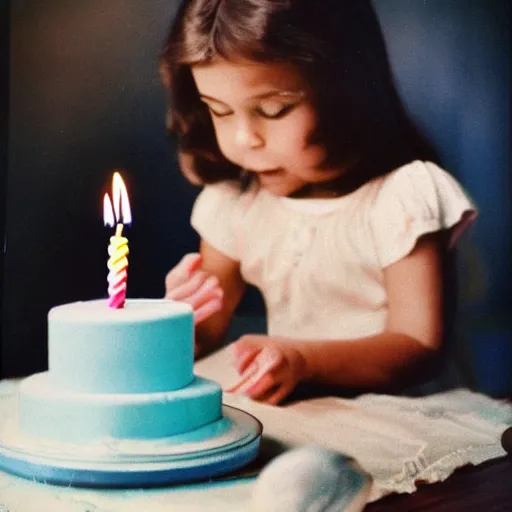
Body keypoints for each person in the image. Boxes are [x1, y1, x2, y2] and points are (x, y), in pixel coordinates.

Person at [160, 0, 477, 405]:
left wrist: (303, 359)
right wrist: (179, 324)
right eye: (219, 112)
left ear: (346, 89)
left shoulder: (401, 198)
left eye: (273, 110)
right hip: (302, 410)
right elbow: (204, 334)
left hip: (404, 414)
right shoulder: (236, 203)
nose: (244, 139)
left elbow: (419, 345)